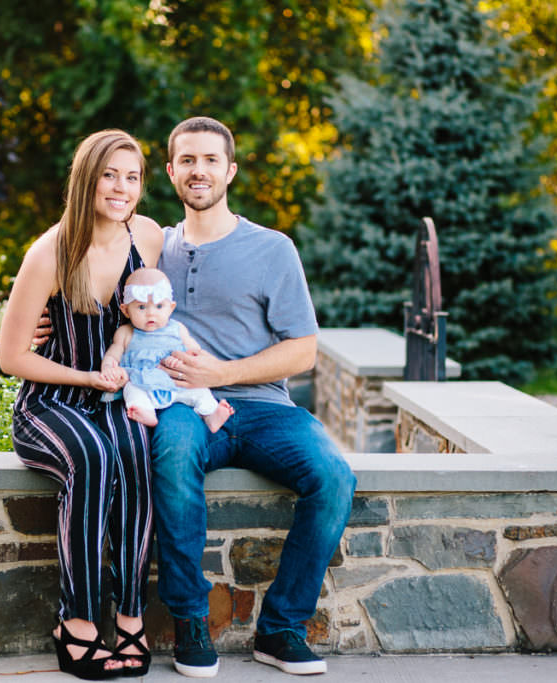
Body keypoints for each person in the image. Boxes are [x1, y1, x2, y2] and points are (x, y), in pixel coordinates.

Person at [152, 117, 357, 677]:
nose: (199, 171)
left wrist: (222, 373)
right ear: (171, 172)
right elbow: (97, 292)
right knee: (170, 458)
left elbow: (303, 351)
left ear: (230, 171)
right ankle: (191, 622)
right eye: (187, 161)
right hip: (185, 409)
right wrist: (43, 327)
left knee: (334, 477)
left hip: (266, 409)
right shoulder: (153, 248)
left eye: (210, 160)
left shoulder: (272, 248)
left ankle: (281, 629)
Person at [0, 129, 163, 680]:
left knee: (138, 450)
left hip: (116, 395)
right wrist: (88, 377)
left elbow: (161, 310)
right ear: (86, 180)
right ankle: (78, 624)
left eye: (132, 176)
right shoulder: (50, 252)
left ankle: (131, 617)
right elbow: (12, 356)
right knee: (92, 456)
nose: (121, 187)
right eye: (109, 175)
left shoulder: (149, 237)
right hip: (51, 402)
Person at [99, 267, 233, 433]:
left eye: (159, 306)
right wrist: (109, 368)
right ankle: (145, 412)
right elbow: (113, 354)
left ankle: (211, 415)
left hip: (176, 382)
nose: (151, 314)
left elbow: (195, 352)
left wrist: (182, 358)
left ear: (171, 307)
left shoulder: (177, 328)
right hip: (143, 382)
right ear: (126, 310)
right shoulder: (126, 332)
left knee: (201, 391)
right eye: (141, 307)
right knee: (131, 390)